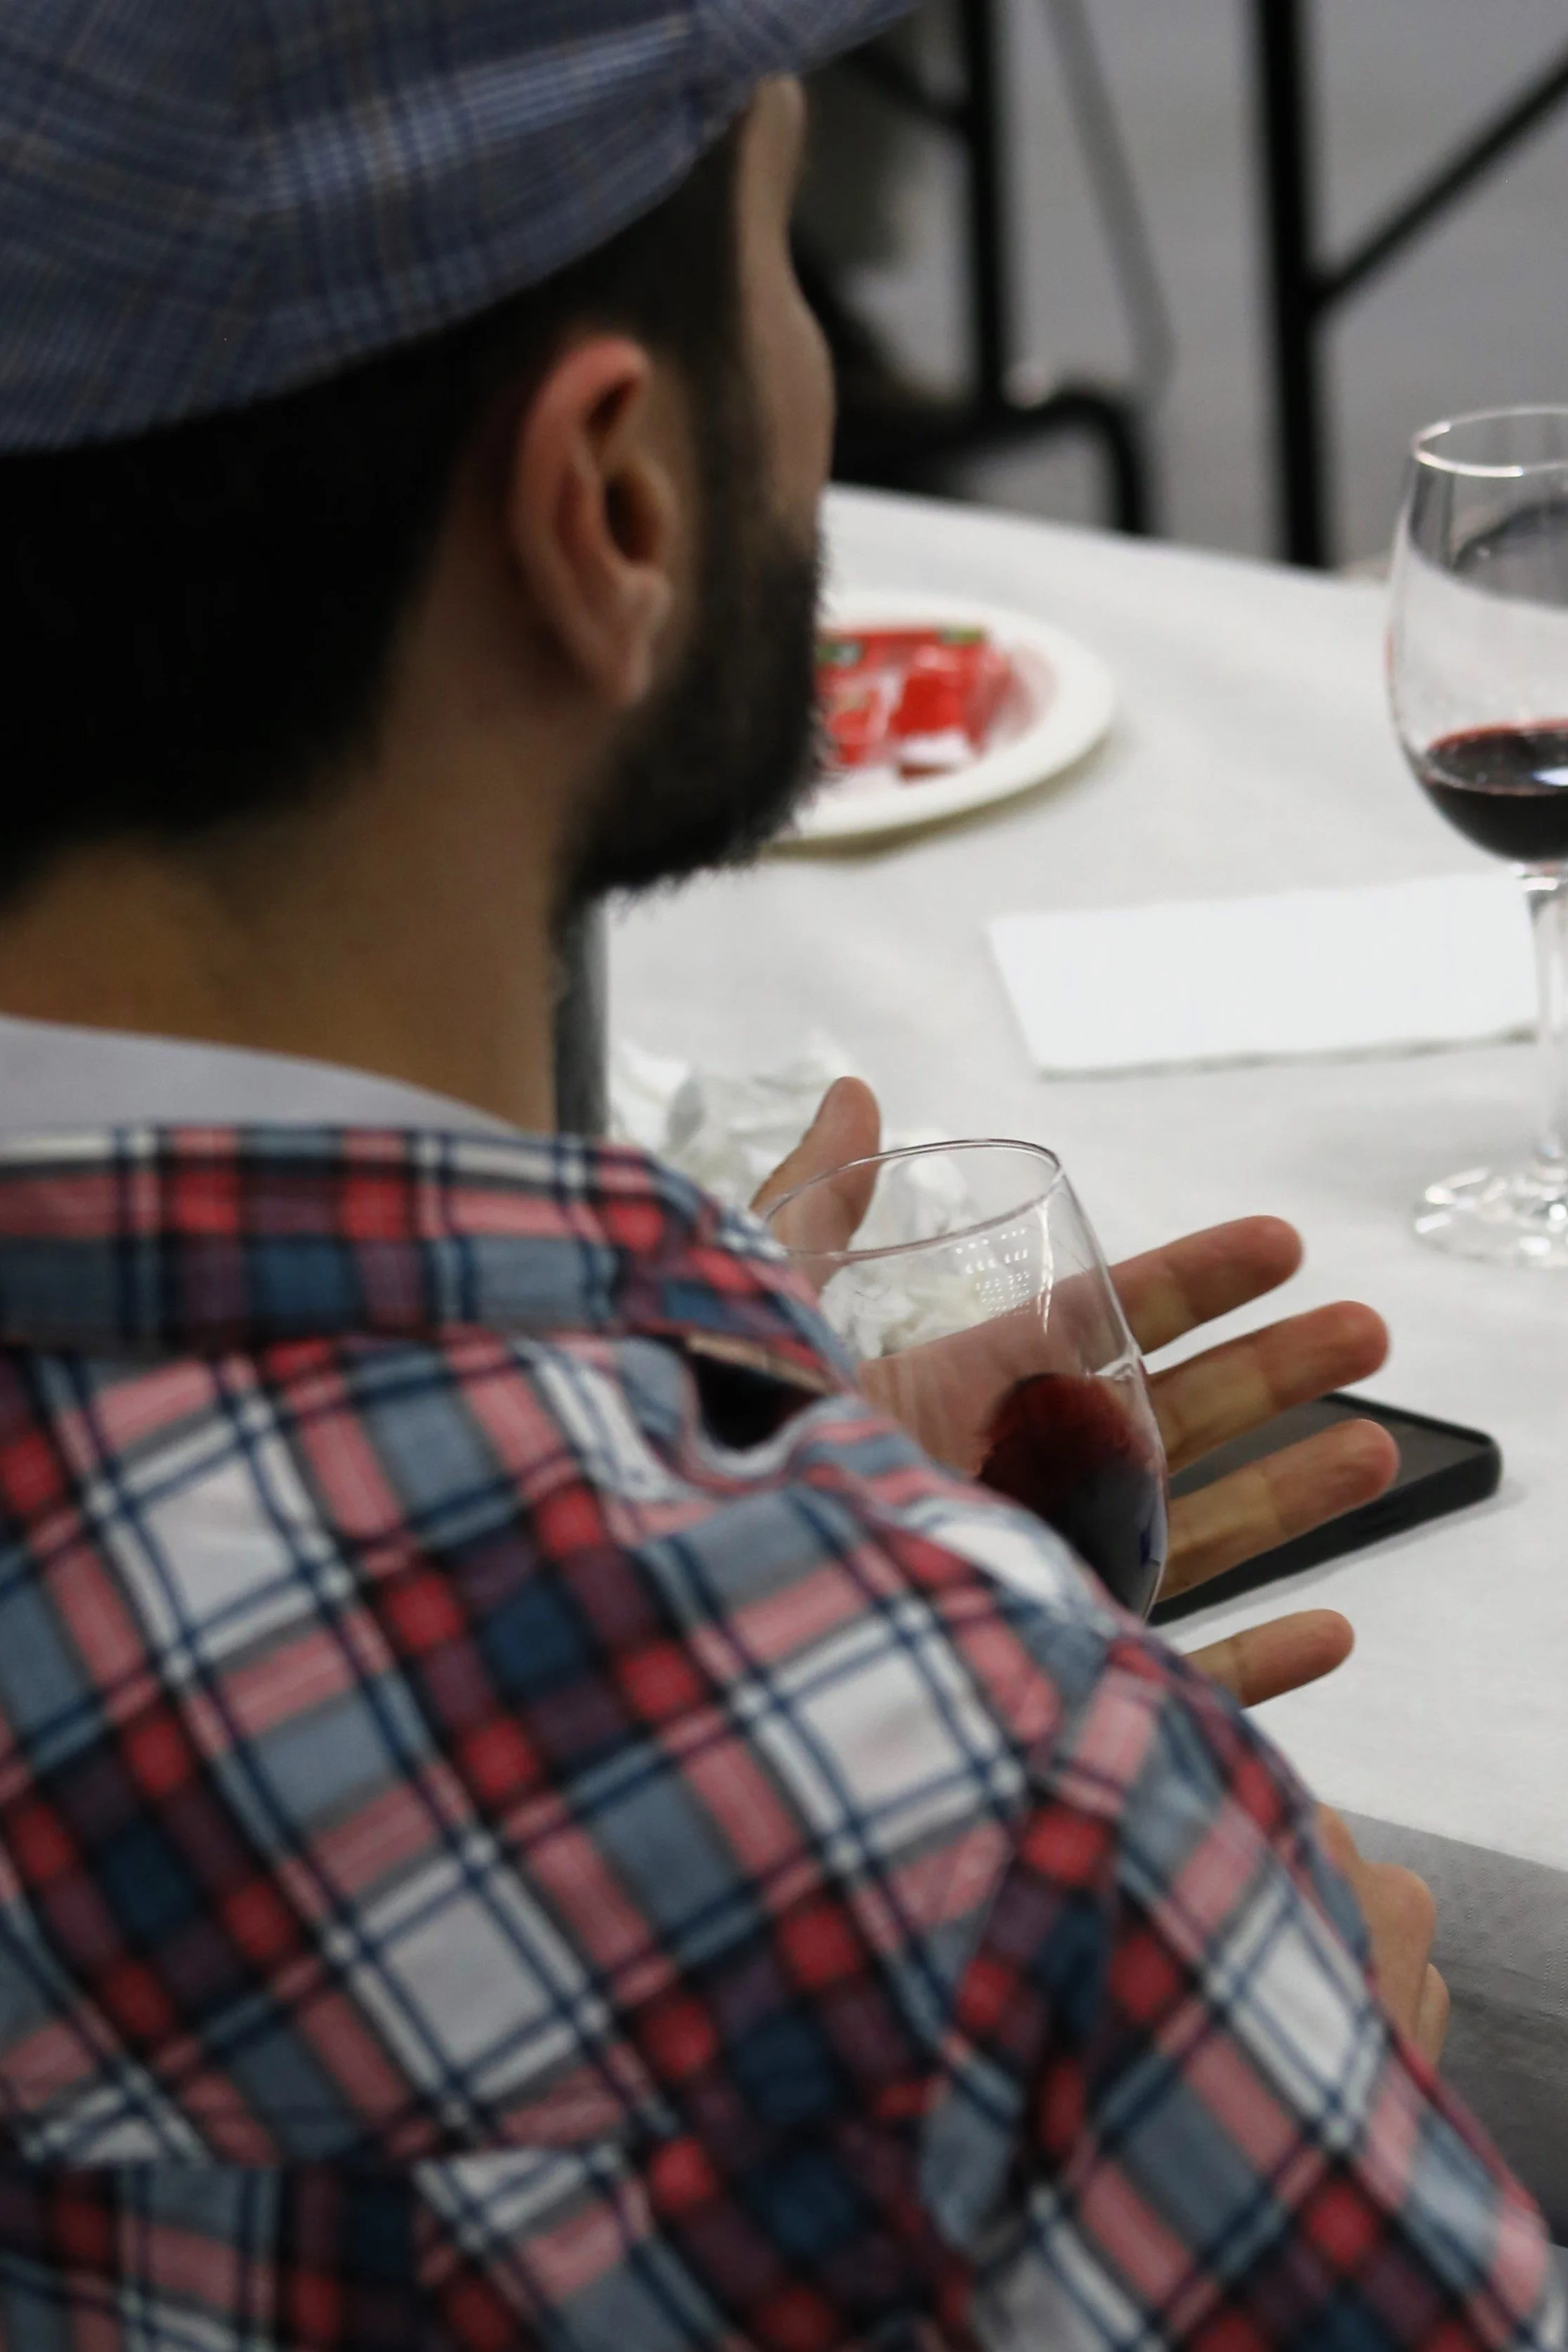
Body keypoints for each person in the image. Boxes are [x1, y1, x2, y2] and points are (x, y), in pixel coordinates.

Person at [0, 2, 1553, 2344]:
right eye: (785, 257)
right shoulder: (1012, 1858)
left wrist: (695, 1438)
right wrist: (1279, 2038)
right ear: (611, 504)